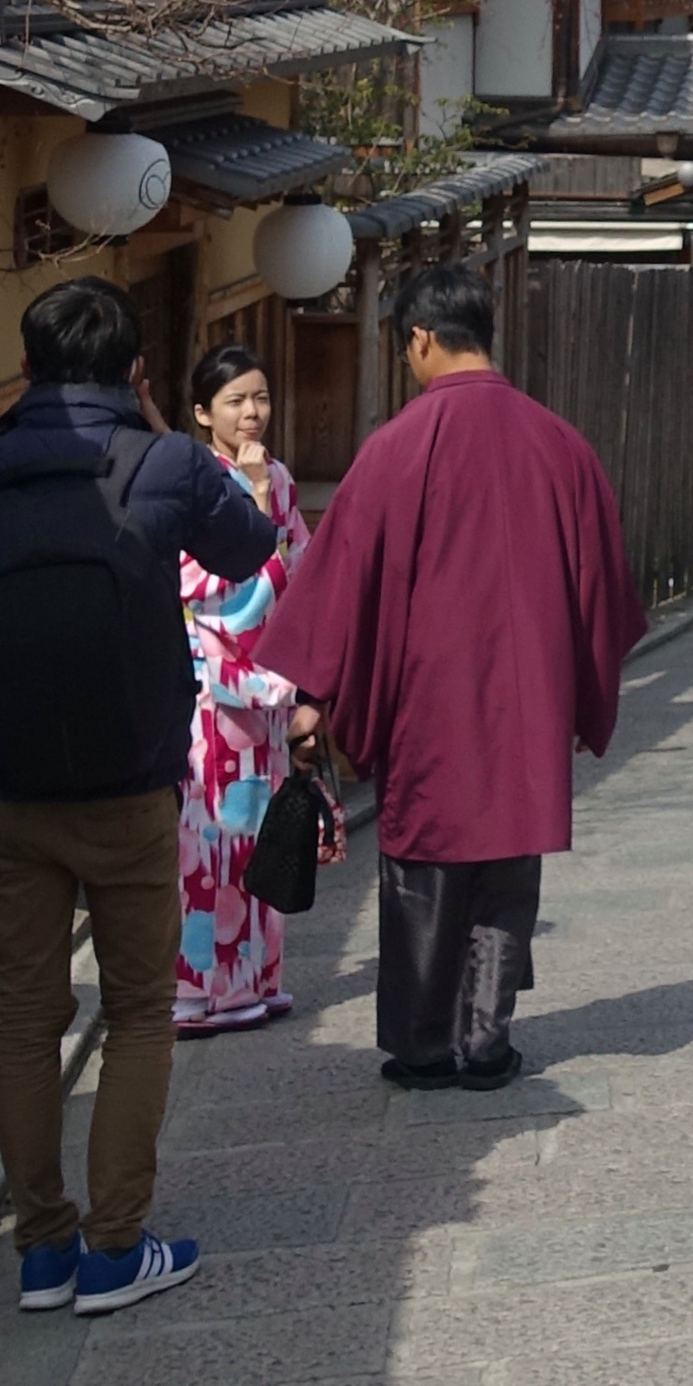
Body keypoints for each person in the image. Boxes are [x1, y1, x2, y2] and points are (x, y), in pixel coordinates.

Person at [0, 275, 277, 1319]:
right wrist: (169, 435)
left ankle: (43, 1249)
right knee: (141, 1009)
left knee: (27, 1016)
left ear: (26, 365)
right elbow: (250, 545)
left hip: (5, 791)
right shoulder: (164, 460)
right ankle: (117, 1247)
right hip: (130, 790)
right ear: (138, 372)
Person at [255, 261, 636, 1094]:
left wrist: (314, 695)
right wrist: (582, 693)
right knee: (507, 869)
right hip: (529, 700)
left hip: (429, 701)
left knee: (424, 869)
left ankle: (425, 1046)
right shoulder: (559, 444)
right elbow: (601, 586)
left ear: (421, 339)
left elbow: (343, 574)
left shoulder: (398, 447)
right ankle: (487, 1043)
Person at [174, 343, 311, 1035]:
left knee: (264, 832)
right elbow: (208, 590)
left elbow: (301, 570)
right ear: (203, 413)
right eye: (235, 401)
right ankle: (203, 991)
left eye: (259, 397)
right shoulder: (197, 484)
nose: (252, 412)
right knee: (214, 837)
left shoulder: (279, 476)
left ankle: (257, 974)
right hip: (215, 683)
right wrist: (255, 506)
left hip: (270, 684)